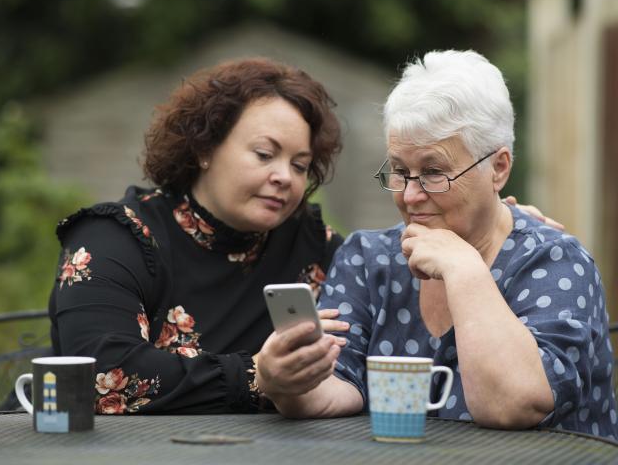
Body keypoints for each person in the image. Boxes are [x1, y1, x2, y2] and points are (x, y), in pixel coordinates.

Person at [256, 50, 618, 440]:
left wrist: (464, 269)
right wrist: (288, 383)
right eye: (399, 171)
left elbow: (514, 404)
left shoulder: (555, 262)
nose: (410, 196)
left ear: (498, 168)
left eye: (432, 172)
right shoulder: (369, 259)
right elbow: (336, 384)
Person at [48, 57, 349, 414]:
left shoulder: (315, 246)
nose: (284, 176)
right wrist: (257, 376)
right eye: (265, 154)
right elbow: (99, 375)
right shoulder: (115, 238)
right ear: (205, 148)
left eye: (299, 165)